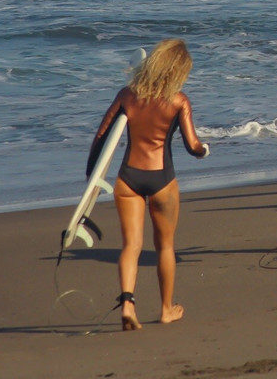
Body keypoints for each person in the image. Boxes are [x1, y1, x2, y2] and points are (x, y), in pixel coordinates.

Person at [87, 39, 208, 331]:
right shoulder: (179, 101)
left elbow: (101, 138)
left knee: (131, 245)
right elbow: (192, 146)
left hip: (127, 178)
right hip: (162, 180)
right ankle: (166, 309)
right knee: (164, 246)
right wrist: (205, 150)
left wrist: (91, 178)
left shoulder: (128, 95)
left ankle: (128, 303)